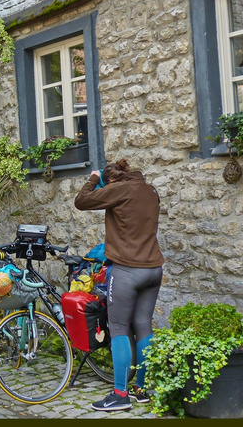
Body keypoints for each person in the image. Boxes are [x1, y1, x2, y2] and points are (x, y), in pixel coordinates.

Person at [74, 159, 163, 411]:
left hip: (126, 271)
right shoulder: (150, 190)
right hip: (153, 269)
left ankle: (120, 394)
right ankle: (141, 389)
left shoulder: (117, 189)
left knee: (119, 328)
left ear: (111, 180)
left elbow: (81, 201)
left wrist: (93, 178)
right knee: (144, 327)